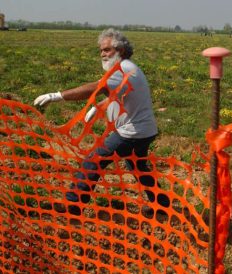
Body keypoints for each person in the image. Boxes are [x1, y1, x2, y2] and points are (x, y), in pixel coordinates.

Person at [34, 28, 169, 216]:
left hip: (132, 132)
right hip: (145, 130)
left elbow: (96, 87)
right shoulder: (127, 67)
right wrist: (98, 107)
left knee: (93, 160)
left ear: (120, 50)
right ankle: (162, 206)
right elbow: (117, 93)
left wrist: (57, 96)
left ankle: (73, 204)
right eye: (101, 51)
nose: (102, 54)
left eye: (107, 50)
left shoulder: (122, 68)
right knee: (139, 168)